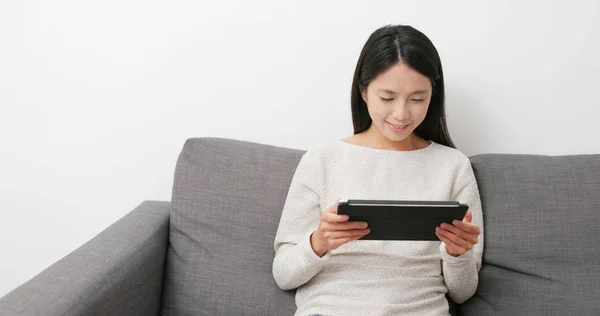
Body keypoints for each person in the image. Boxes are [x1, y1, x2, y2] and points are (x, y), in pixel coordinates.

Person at [272, 24, 484, 316]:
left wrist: (458, 254)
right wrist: (318, 242)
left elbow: (463, 291)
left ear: (433, 95)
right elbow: (283, 275)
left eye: (418, 99)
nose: (401, 113)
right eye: (387, 98)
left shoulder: (453, 166)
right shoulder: (322, 160)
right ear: (363, 91)